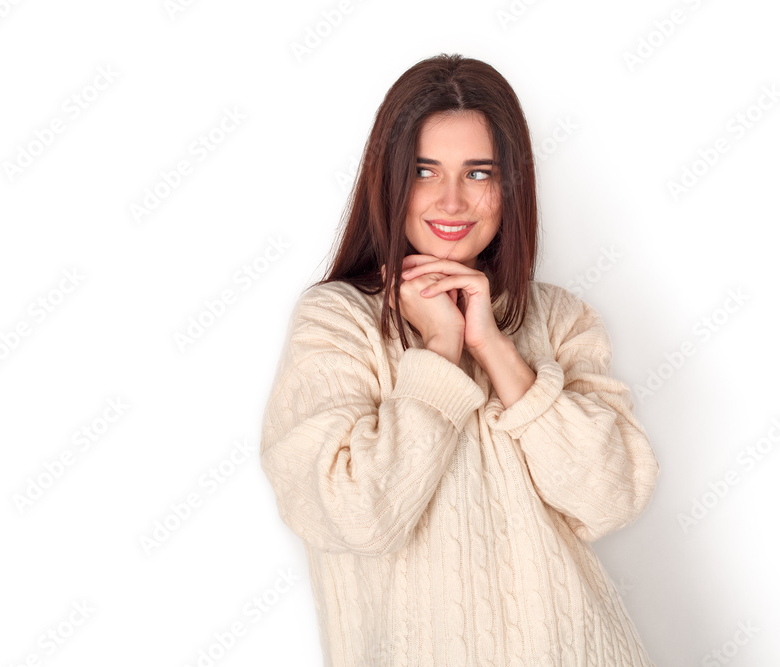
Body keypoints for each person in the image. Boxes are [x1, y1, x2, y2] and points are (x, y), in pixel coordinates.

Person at [259, 52, 661, 667]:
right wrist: (441, 348)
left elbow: (611, 498)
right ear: (389, 181)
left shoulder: (559, 319)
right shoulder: (337, 321)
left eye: (478, 173)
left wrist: (493, 347)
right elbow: (357, 516)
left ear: (511, 187)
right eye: (425, 171)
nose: (451, 201)